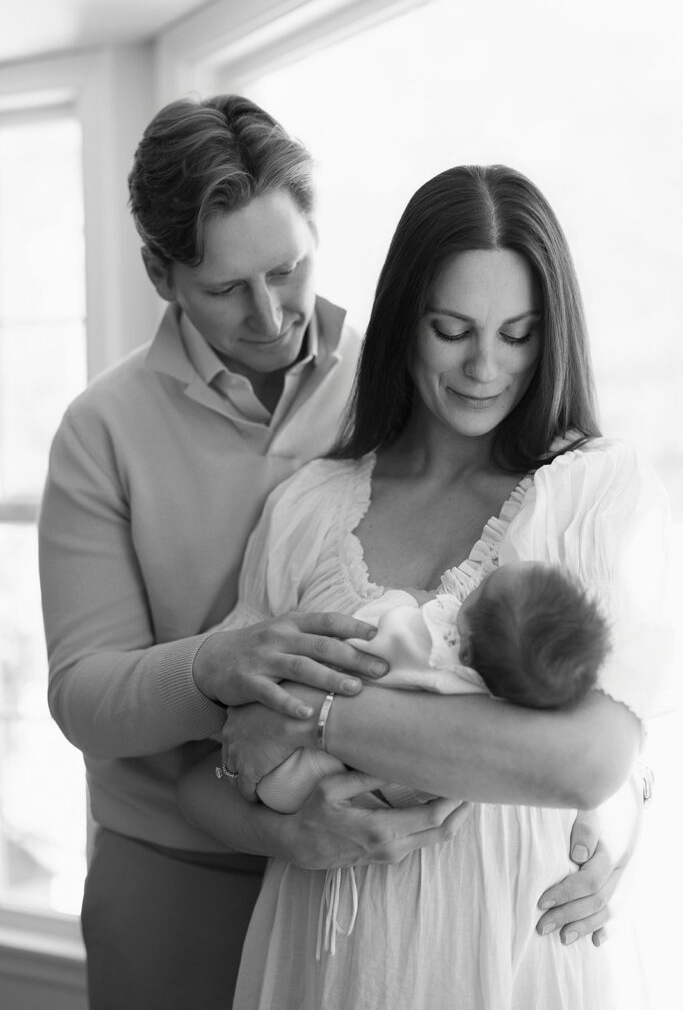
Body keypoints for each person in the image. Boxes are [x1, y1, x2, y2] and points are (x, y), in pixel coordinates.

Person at [178, 165, 676, 1009]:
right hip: (325, 961)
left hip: (518, 961)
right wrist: (287, 831)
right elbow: (205, 776)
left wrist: (314, 713)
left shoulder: (592, 491)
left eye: (518, 334)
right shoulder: (306, 508)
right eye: (452, 330)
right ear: (404, 320)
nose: (486, 367)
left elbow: (588, 760)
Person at [39, 95, 482, 1010]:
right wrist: (213, 665)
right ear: (162, 275)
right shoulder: (101, 432)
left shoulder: (404, 386)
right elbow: (84, 698)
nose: (271, 314)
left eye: (287, 269)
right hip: (173, 881)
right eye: (225, 288)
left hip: (376, 872)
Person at [253, 560, 611, 815]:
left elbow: (370, 634)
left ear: (464, 645)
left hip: (300, 764)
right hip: (405, 789)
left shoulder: (432, 642)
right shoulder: (499, 695)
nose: (477, 583)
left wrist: (405, 602)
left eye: (482, 589)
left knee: (293, 775)